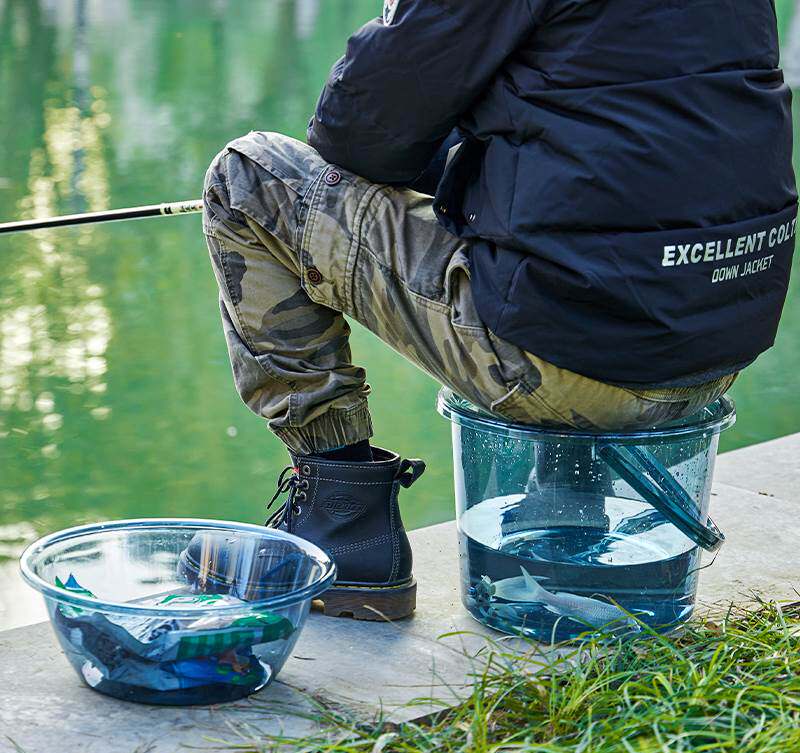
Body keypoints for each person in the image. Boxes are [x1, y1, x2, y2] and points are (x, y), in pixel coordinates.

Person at [202, 0, 796, 621]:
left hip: (572, 363)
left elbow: (361, 133)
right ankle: (567, 503)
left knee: (247, 177)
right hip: (715, 345)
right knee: (581, 224)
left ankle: (343, 525)